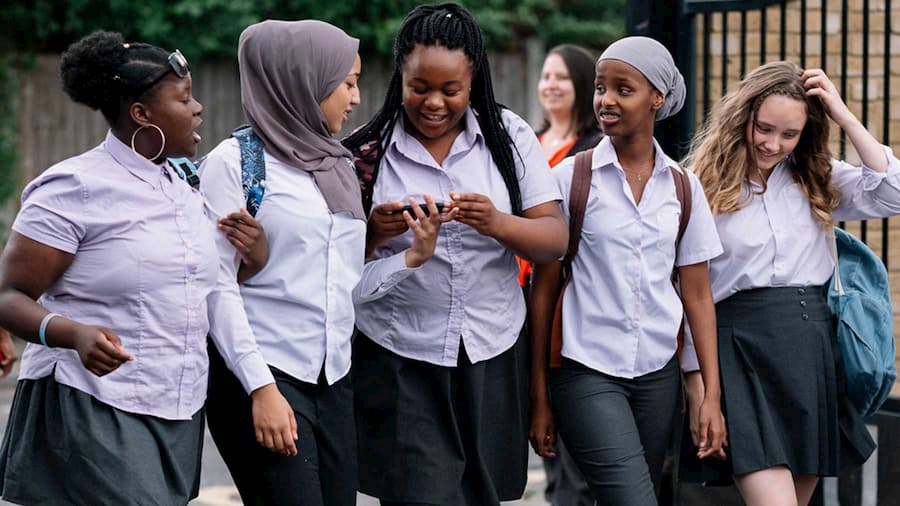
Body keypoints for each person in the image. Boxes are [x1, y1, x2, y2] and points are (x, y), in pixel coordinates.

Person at [343, 3, 568, 505]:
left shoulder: (509, 139)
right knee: (419, 495)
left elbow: (554, 239)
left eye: (451, 90)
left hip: (491, 348)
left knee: (483, 495)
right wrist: (376, 234)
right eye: (419, 87)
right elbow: (330, 266)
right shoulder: (366, 153)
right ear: (399, 76)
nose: (434, 103)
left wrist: (498, 223)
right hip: (401, 354)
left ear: (475, 83)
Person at [0, 31, 211, 504]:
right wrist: (71, 332)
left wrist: (254, 252)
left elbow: (198, 285)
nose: (198, 108)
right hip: (92, 401)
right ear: (142, 114)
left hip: (177, 403)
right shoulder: (74, 188)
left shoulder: (181, 185)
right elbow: (7, 295)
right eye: (184, 98)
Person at [684, 60, 898, 506]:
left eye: (789, 134)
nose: (773, 144)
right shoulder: (700, 184)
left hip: (810, 348)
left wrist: (843, 114)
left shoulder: (815, 176)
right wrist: (697, 382)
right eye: (763, 128)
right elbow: (687, 290)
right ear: (743, 117)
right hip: (739, 351)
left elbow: (892, 192)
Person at [529, 36, 728, 506]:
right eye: (600, 88)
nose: (606, 100)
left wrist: (710, 395)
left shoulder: (683, 187)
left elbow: (698, 296)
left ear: (657, 97)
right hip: (585, 371)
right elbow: (543, 293)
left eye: (623, 89)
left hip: (657, 376)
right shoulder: (571, 179)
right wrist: (539, 397)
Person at [200, 20, 365, 506]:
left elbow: (343, 283)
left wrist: (411, 260)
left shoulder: (339, 164)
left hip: (332, 377)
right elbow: (217, 289)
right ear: (302, 80)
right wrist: (261, 388)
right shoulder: (234, 164)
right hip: (264, 374)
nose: (356, 98)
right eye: (348, 83)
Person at [529, 43, 600, 506]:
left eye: (563, 77)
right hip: (520, 293)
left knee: (571, 423)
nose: (551, 84)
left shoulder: (592, 151)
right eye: (546, 76)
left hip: (567, 295)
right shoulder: (530, 142)